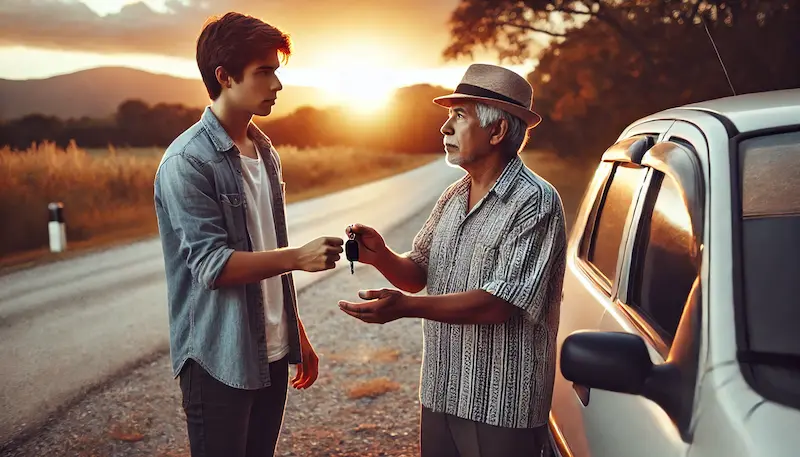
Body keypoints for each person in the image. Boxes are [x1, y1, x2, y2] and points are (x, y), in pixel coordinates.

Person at [338, 63, 567, 457]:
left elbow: (499, 304)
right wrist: (383, 257)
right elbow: (418, 272)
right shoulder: (453, 195)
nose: (445, 128)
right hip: (442, 393)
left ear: (497, 131)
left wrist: (406, 308)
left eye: (460, 116)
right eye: (449, 116)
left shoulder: (535, 202)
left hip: (500, 406)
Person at [153, 12, 344, 457]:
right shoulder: (187, 162)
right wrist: (297, 257)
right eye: (265, 72)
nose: (277, 85)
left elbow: (262, 248)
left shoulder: (264, 150)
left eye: (277, 71)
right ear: (225, 77)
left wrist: (294, 331)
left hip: (272, 351)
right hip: (218, 359)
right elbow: (212, 266)